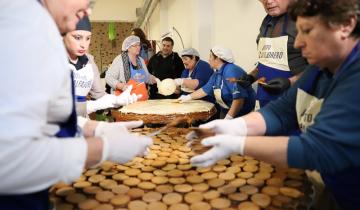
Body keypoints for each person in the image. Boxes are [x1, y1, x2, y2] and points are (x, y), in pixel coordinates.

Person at [190, 0, 360, 209]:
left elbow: (318, 149)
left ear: (346, 25)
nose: (297, 43)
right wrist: (235, 126)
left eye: (307, 31)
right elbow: (281, 112)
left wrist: (237, 144)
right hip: (336, 189)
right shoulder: (320, 68)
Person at [0, 1, 152, 209]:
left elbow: (49, 116)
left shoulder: (45, 32)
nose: (88, 11)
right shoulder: (17, 29)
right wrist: (103, 148)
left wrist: (97, 127)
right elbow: (10, 159)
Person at [236, 0, 308, 107]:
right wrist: (251, 77)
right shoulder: (266, 22)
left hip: (294, 102)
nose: (268, 1)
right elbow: (267, 60)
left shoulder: (304, 21)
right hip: (264, 100)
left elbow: (318, 69)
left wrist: (290, 82)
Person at [63, 16, 139, 117]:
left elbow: (99, 95)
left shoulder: (89, 62)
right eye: (77, 37)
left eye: (88, 38)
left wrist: (116, 100)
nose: (84, 45)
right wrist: (95, 105)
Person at [178, 46, 256, 119]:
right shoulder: (217, 74)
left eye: (210, 57)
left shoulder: (231, 71)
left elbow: (239, 99)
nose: (209, 59)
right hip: (226, 110)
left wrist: (229, 117)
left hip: (242, 113)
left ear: (218, 58)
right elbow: (204, 90)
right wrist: (187, 97)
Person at [105, 35, 158, 101]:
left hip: (141, 100)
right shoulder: (119, 60)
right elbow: (109, 77)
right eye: (135, 45)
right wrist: (121, 86)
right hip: (125, 101)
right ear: (128, 48)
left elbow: (146, 77)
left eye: (139, 45)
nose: (138, 47)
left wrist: (154, 79)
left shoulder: (140, 60)